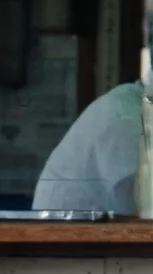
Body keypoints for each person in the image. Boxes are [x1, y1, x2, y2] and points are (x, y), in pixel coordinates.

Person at [32, 77, 145, 215]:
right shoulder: (125, 116)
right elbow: (145, 210)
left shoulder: (131, 107)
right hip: (64, 233)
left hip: (81, 231)